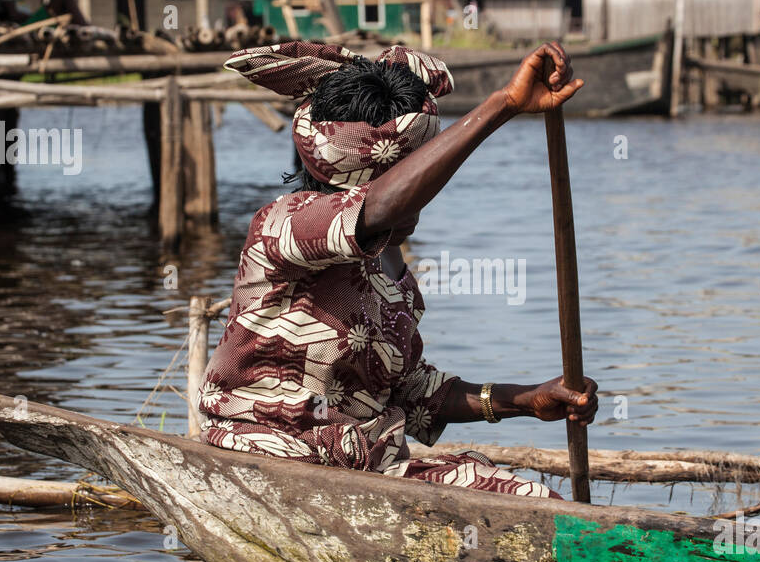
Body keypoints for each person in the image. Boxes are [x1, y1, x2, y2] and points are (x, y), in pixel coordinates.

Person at [198, 40, 595, 499]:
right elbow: (380, 205)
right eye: (413, 180)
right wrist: (502, 105)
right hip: (268, 457)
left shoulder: (392, 268)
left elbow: (412, 391)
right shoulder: (284, 225)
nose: (422, 198)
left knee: (524, 496)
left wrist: (525, 400)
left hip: (365, 466)